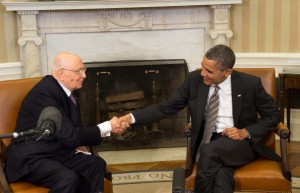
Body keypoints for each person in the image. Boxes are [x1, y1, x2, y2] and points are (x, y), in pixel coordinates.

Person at [117, 44, 281, 193]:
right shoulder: (194, 80)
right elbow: (166, 107)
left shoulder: (249, 84)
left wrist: (245, 132)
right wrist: (131, 118)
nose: (203, 73)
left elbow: (273, 115)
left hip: (239, 142)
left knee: (209, 151)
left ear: (227, 72)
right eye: (203, 67)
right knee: (222, 174)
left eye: (209, 71)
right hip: (208, 138)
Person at [5, 52, 125, 193]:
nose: (84, 75)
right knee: (68, 179)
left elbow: (72, 130)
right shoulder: (45, 93)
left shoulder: (68, 89)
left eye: (83, 70)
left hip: (57, 150)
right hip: (33, 157)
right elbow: (71, 136)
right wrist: (108, 126)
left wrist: (85, 142)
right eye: (78, 71)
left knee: (96, 164)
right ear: (61, 73)